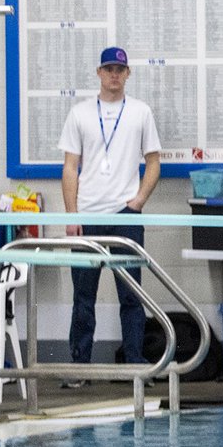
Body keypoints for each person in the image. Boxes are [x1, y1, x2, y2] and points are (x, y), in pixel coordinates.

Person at [59, 47, 161, 387]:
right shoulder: (80, 113)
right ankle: (80, 368)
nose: (114, 74)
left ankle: (135, 365)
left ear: (128, 73)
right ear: (99, 72)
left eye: (120, 69)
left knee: (131, 295)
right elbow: (71, 166)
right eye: (108, 68)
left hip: (125, 215)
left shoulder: (140, 112)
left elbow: (153, 161)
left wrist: (138, 201)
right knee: (83, 296)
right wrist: (71, 214)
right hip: (87, 214)